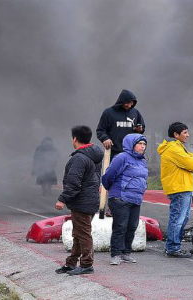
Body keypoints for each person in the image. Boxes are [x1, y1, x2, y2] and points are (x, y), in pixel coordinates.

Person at [54, 126, 103, 275]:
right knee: (79, 234)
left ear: (74, 139)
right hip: (90, 200)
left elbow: (74, 183)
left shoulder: (79, 158)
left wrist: (62, 199)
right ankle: (71, 263)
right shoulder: (94, 155)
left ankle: (87, 264)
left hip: (82, 202)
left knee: (83, 234)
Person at [102, 134, 148, 265]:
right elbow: (108, 176)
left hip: (136, 199)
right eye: (140, 144)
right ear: (131, 144)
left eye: (144, 144)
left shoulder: (142, 161)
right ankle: (116, 254)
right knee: (120, 226)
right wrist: (112, 191)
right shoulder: (122, 158)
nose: (143, 146)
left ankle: (126, 253)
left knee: (131, 227)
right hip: (120, 198)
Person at [157, 122, 193, 258]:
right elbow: (191, 164)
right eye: (185, 132)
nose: (188, 135)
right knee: (178, 218)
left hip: (183, 186)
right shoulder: (173, 148)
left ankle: (173, 246)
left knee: (182, 217)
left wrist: (190, 157)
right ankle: (173, 247)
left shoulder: (178, 147)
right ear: (176, 135)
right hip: (179, 187)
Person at [97, 89, 146, 160]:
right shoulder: (108, 113)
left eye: (131, 103)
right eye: (127, 103)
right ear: (121, 101)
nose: (129, 105)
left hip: (132, 153)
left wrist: (140, 129)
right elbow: (100, 130)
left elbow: (142, 127)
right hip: (114, 153)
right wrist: (105, 138)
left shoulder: (135, 112)